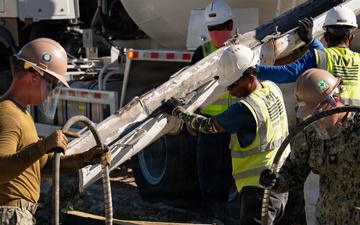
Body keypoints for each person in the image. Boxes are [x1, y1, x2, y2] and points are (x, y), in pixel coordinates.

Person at [163, 44, 290, 225]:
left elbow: (208, 126)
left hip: (258, 190)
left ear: (251, 78)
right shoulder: (272, 89)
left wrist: (178, 112)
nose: (229, 90)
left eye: (233, 84)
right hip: (279, 184)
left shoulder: (245, 108)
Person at [257, 6, 359, 225]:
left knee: (313, 197)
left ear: (326, 35)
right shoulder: (358, 61)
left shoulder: (320, 57)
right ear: (351, 37)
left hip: (328, 134)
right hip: (347, 129)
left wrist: (252, 70)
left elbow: (289, 72)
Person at [0, 38, 111, 225]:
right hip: (9, 216)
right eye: (51, 84)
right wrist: (43, 145)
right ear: (34, 76)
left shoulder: (22, 114)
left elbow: (40, 165)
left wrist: (85, 158)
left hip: (17, 215)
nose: (51, 92)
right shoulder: (8, 116)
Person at [259, 68, 360, 225]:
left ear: (334, 99)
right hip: (326, 218)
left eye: (318, 111)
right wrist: (276, 181)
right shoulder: (311, 134)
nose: (316, 119)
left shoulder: (357, 126)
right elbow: (294, 172)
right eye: (311, 114)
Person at [190, 1, 236, 224]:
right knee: (208, 169)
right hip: (209, 122)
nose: (216, 33)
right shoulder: (202, 52)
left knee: (228, 169)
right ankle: (209, 212)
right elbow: (190, 87)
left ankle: (222, 209)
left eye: (220, 27)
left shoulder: (240, 51)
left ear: (231, 24)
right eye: (211, 29)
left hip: (234, 121)